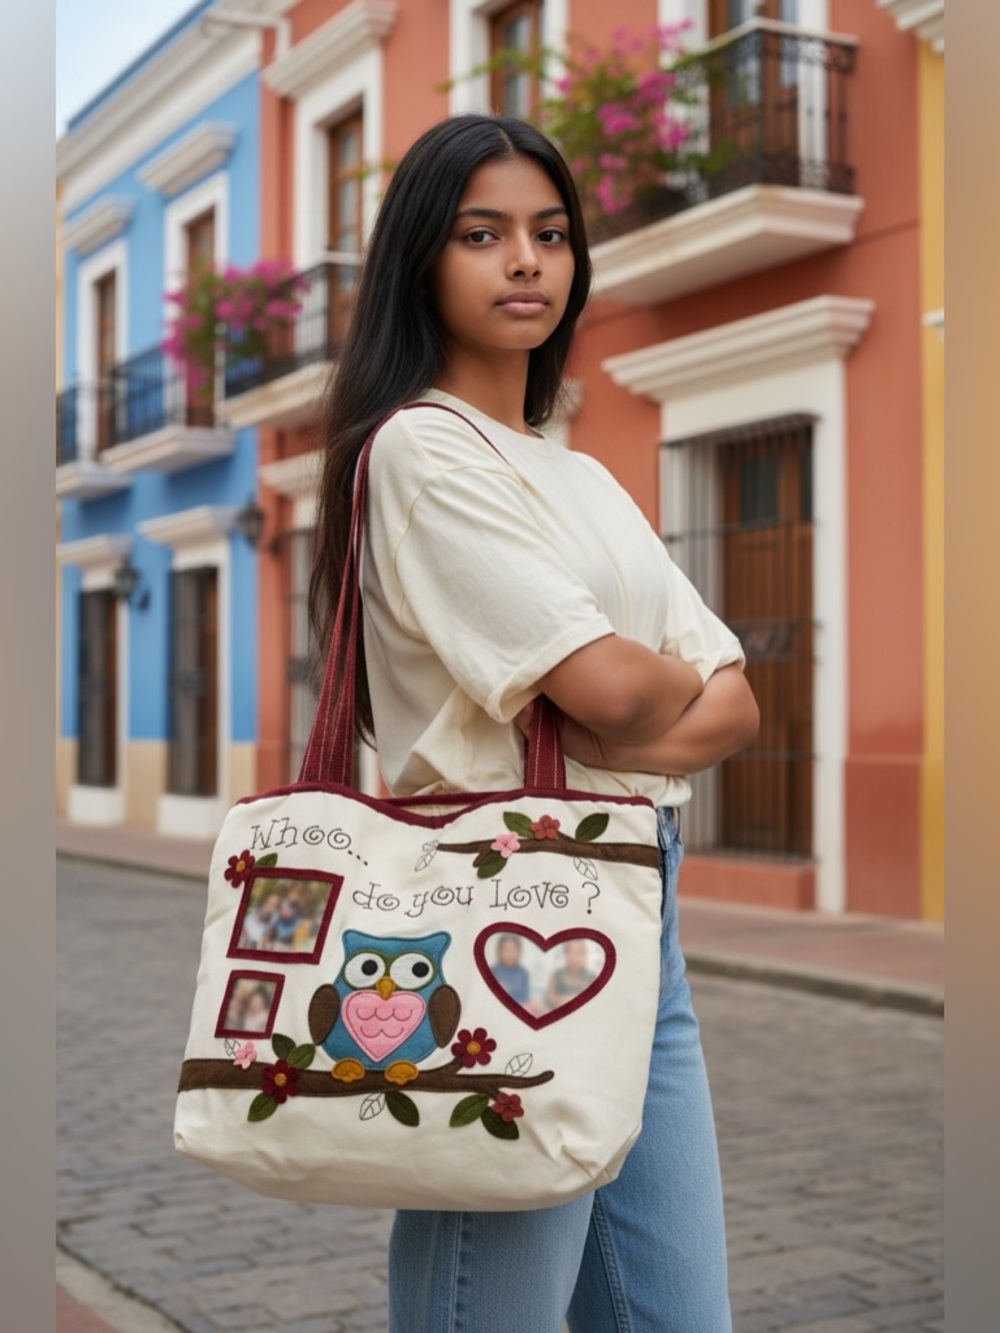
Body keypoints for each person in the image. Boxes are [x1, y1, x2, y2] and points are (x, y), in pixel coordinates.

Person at [310, 113, 759, 1333]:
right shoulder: (418, 451)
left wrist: (621, 703)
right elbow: (627, 689)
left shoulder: (581, 472)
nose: (526, 262)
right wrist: (633, 695)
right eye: (483, 234)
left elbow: (739, 697)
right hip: (502, 908)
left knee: (678, 1316)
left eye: (551, 235)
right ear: (421, 260)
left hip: (641, 915)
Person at [544, 937, 598, 1013]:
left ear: (585, 955)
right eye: (570, 952)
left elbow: (596, 1003)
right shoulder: (556, 976)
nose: (574, 957)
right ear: (565, 954)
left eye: (578, 952)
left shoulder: (592, 978)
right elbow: (548, 998)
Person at [491, 932, 533, 1008]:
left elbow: (525, 1000)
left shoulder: (523, 973)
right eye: (505, 950)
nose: (509, 954)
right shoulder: (492, 972)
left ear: (519, 952)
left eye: (512, 950)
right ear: (499, 951)